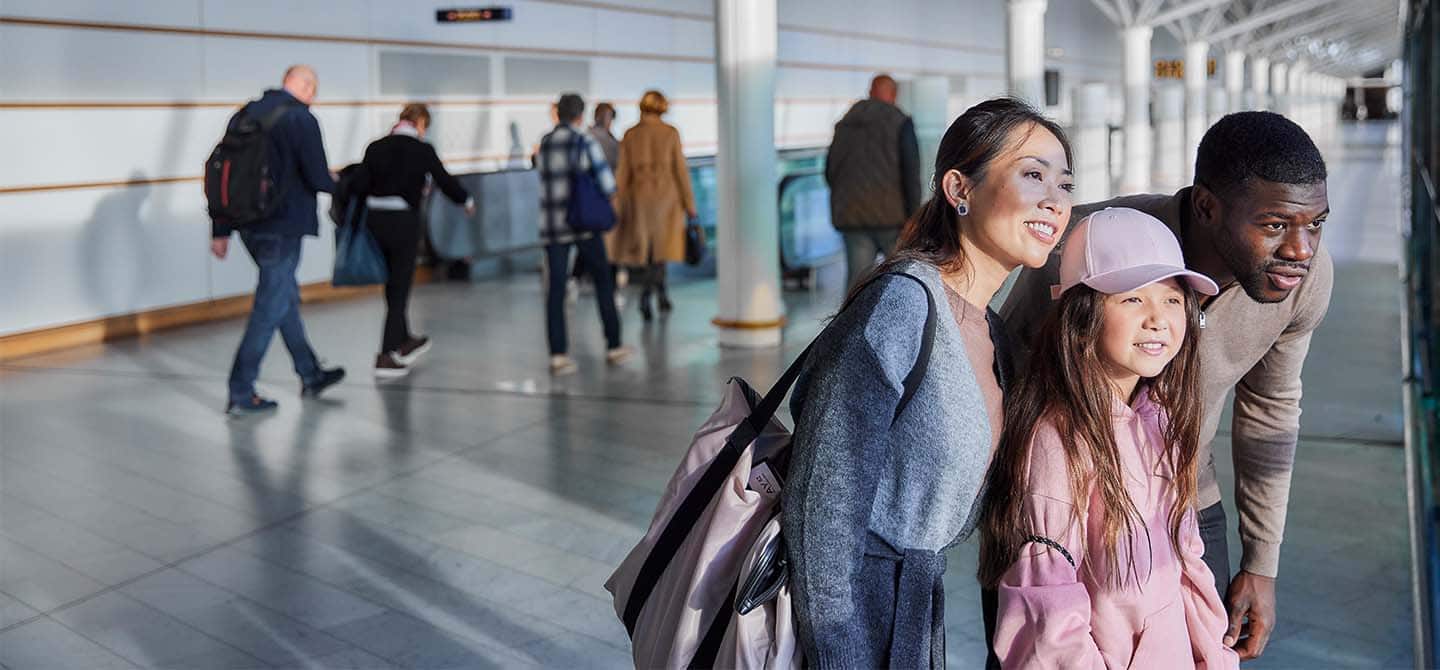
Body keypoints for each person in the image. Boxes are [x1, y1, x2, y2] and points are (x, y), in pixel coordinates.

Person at [1000, 111, 1332, 661]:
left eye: (1315, 224)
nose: (1301, 249)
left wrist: (1261, 562)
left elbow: (1271, 410)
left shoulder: (1303, 280)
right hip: (1064, 508)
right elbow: (1010, 371)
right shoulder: (1088, 246)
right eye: (1275, 225)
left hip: (1180, 503)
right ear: (1206, 207)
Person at [783, 97, 1073, 667]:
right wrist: (839, 655)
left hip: (912, 611)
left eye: (1064, 183)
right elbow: (823, 505)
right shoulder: (902, 305)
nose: (1053, 200)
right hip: (850, 617)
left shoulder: (990, 329)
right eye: (1032, 175)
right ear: (959, 189)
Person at [981, 208, 1238, 669]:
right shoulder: (1058, 439)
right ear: (1082, 317)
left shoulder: (1160, 418)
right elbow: (1046, 609)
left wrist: (1214, 657)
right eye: (1133, 300)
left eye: (1173, 299)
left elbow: (1187, 566)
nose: (1158, 319)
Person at [211, 65, 344, 415]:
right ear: (306, 87)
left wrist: (220, 229)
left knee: (283, 296)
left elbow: (222, 172)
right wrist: (343, 182)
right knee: (270, 305)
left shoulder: (245, 114)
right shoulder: (300, 119)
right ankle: (241, 390)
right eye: (313, 91)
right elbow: (318, 178)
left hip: (247, 226)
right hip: (282, 227)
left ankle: (310, 372)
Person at [356, 103, 476, 378]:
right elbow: (444, 181)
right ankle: (386, 355)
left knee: (392, 283)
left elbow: (360, 184)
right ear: (421, 123)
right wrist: (466, 200)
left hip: (375, 221)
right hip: (403, 222)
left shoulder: (375, 147)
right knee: (400, 285)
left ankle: (403, 338)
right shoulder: (421, 150)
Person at [535, 92, 632, 375]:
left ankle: (558, 355)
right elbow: (606, 182)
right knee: (603, 279)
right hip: (583, 223)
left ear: (559, 114)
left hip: (553, 225)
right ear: (579, 115)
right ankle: (614, 346)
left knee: (555, 289)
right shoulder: (583, 141)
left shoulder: (546, 142)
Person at [825, 74, 922, 289]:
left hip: (851, 215)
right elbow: (910, 172)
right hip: (892, 218)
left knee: (857, 284)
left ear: (870, 92)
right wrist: (913, 215)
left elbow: (830, 170)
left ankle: (855, 322)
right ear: (894, 95)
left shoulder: (845, 123)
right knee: (902, 279)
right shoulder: (900, 122)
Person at [611, 90, 697, 321]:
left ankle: (659, 294)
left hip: (639, 199)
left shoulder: (630, 135)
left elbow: (622, 173)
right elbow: (680, 170)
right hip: (667, 199)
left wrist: (617, 202)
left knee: (648, 252)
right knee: (661, 252)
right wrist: (690, 204)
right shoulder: (670, 133)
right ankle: (650, 295)